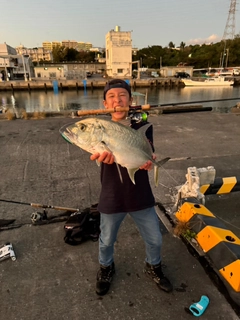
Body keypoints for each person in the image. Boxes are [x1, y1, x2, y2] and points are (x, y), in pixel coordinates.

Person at [90, 79, 172, 296]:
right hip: (111, 195)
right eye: (112, 97)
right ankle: (106, 267)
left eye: (122, 96)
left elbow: (148, 150)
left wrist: (150, 160)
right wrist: (99, 155)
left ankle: (153, 266)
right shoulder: (99, 129)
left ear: (131, 100)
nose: (118, 100)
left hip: (140, 194)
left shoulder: (143, 125)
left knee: (155, 238)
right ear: (105, 103)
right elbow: (92, 148)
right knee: (106, 240)